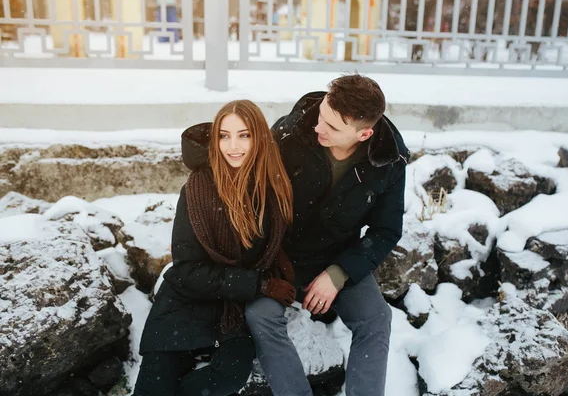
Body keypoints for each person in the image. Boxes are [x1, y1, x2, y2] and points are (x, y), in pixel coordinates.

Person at [244, 74, 410, 396]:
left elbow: (386, 230)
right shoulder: (288, 133)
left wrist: (339, 274)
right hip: (279, 254)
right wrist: (269, 259)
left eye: (332, 127)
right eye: (322, 115)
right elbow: (253, 199)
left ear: (364, 134)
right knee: (259, 315)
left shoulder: (389, 160)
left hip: (338, 256)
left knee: (376, 319)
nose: (319, 127)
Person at [133, 100, 296, 396]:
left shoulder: (274, 187)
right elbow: (187, 270)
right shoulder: (198, 189)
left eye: (244, 135)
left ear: (259, 137)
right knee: (153, 388)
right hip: (185, 303)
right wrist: (260, 284)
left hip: (230, 311)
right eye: (224, 135)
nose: (233, 146)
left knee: (228, 377)